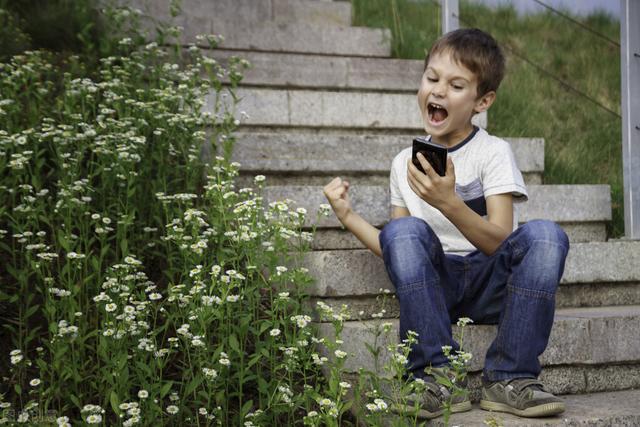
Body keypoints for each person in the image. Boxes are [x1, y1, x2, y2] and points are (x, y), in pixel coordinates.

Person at [322, 28, 569, 419]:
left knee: (548, 236)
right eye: (432, 78)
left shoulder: (493, 153)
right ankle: (438, 377)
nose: (438, 91)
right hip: (435, 286)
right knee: (402, 231)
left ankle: (509, 377)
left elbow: (500, 240)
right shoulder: (404, 163)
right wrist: (348, 216)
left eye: (456, 85)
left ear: (482, 101)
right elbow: (398, 247)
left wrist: (448, 202)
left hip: (491, 282)